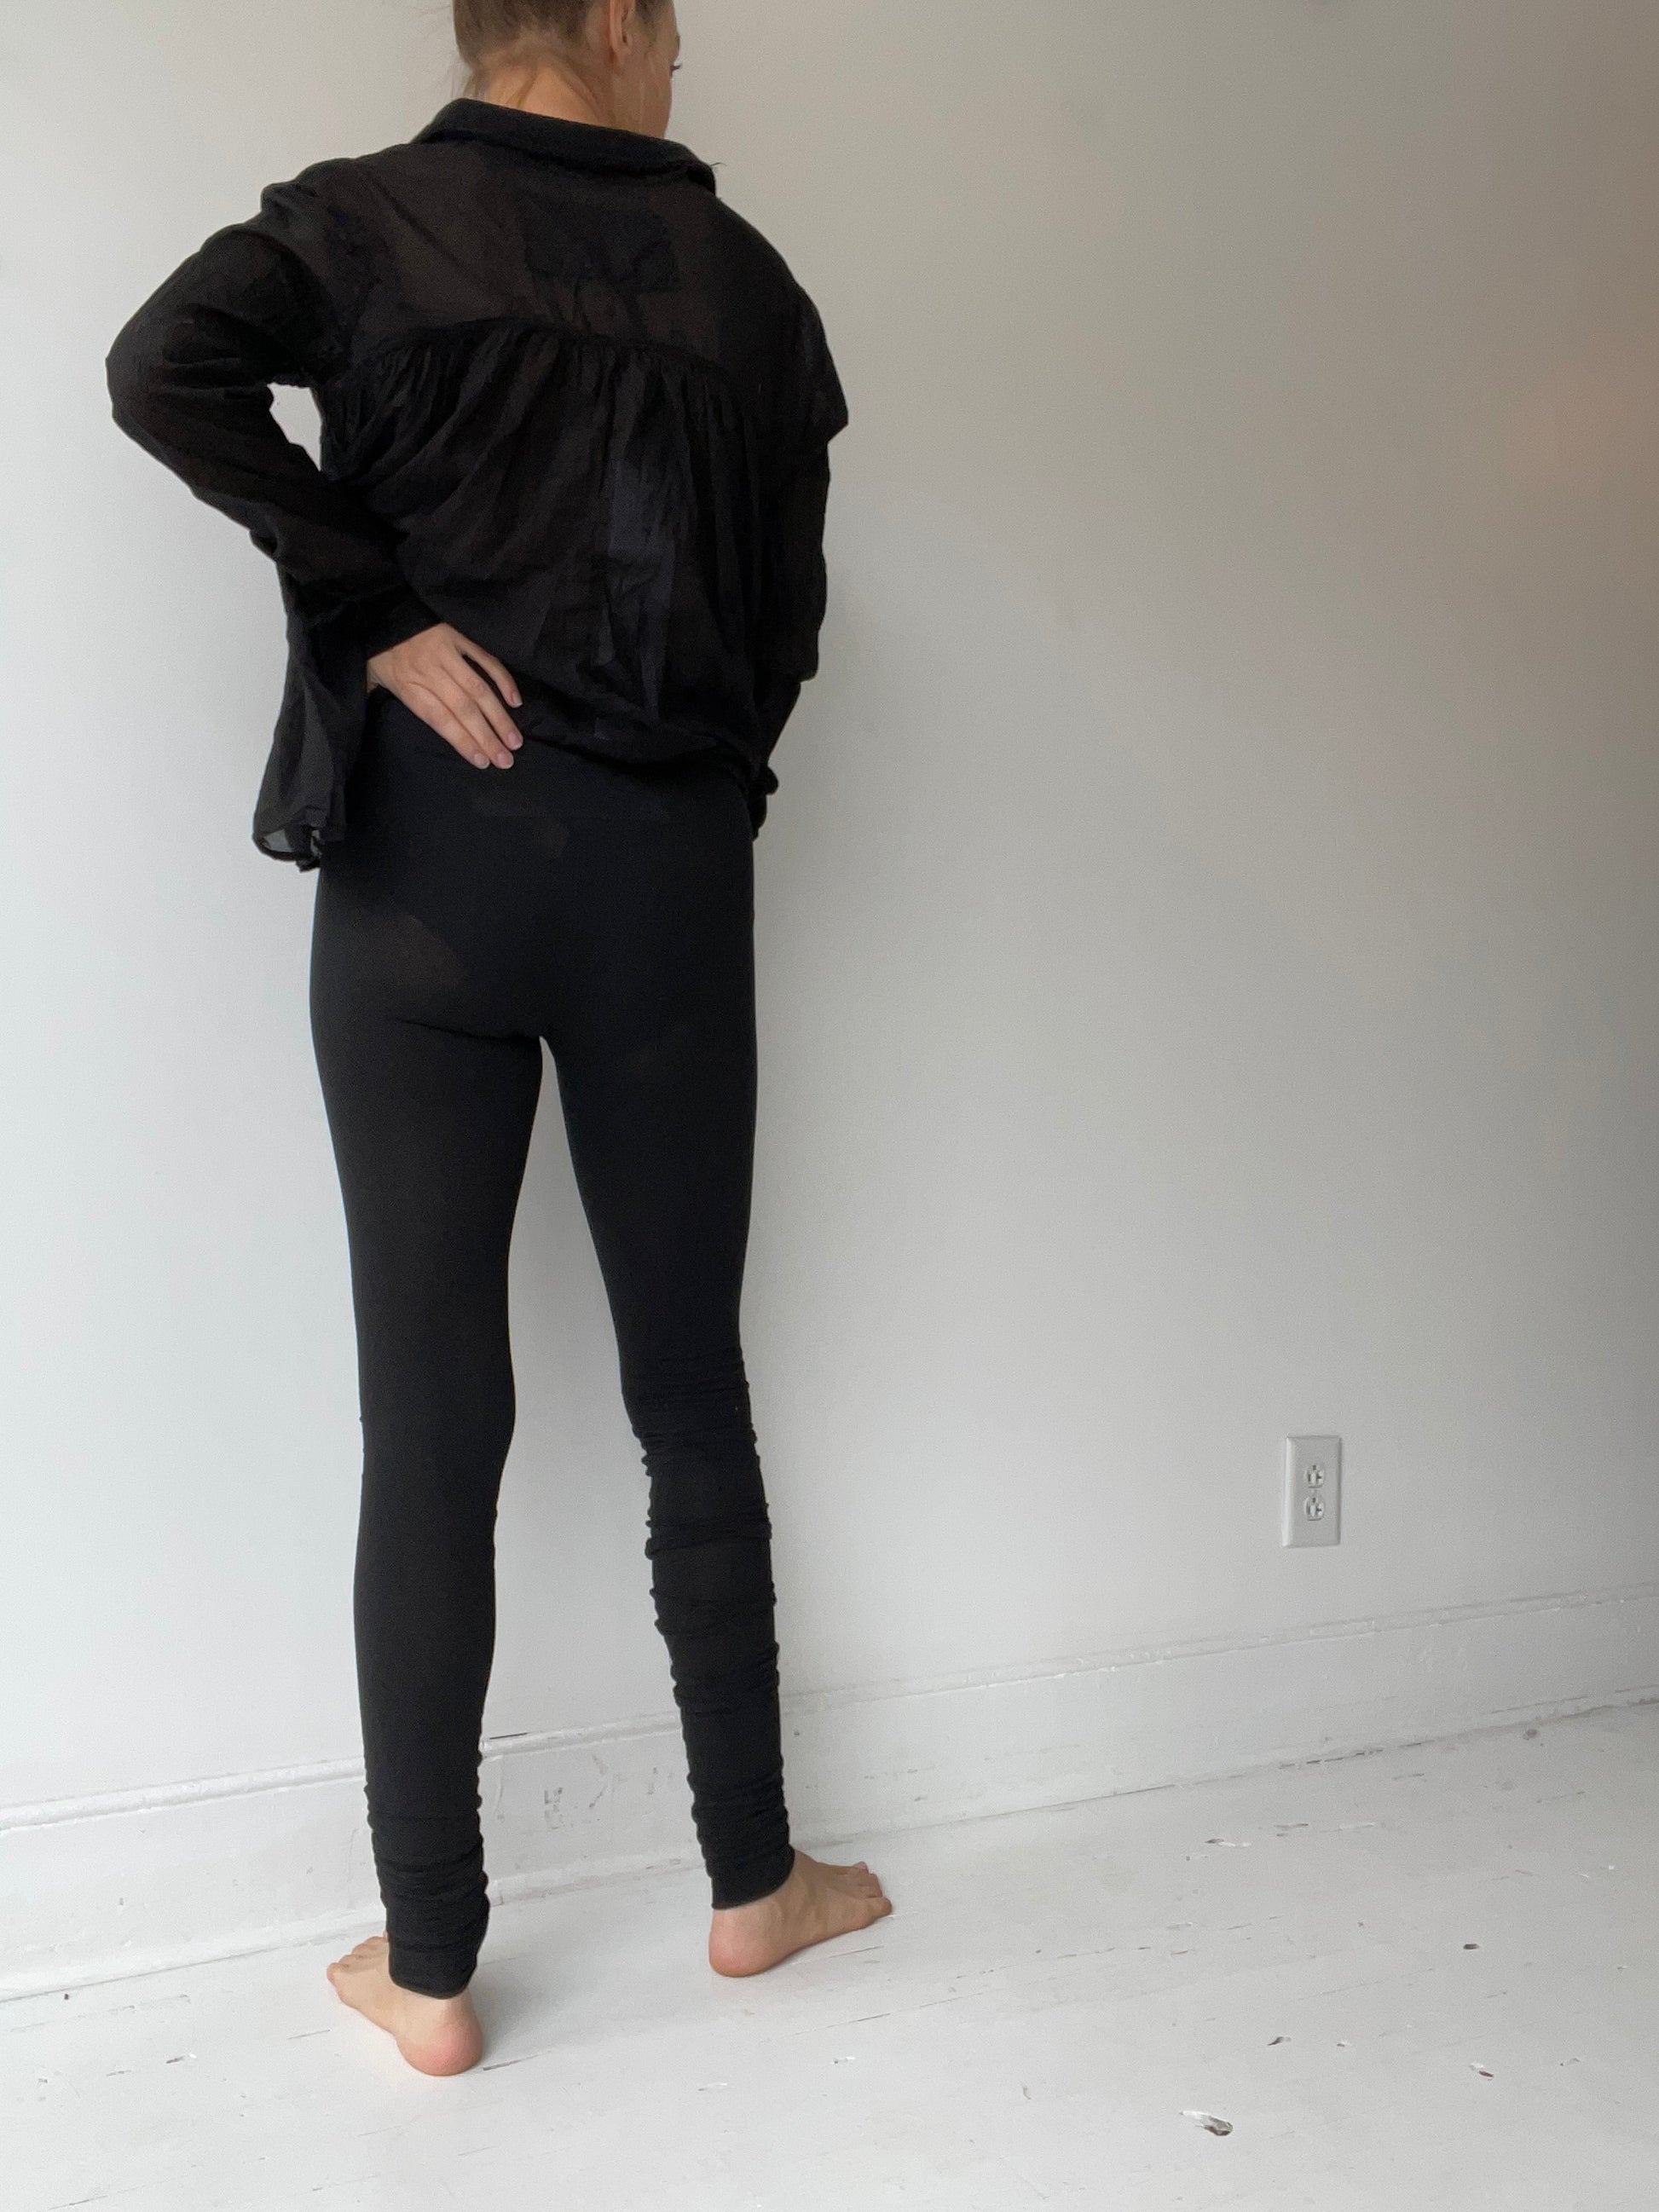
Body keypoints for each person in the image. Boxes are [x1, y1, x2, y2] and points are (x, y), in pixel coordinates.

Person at [105, 0, 889, 2079]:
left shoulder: (364, 225)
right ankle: (753, 1883)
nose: (681, 61)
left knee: (431, 1423)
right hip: (661, 885)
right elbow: (787, 621)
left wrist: (372, 607)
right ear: (615, 21)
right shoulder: (748, 289)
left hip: (423, 880)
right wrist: (689, 788)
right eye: (675, 28)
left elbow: (160, 367)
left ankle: (433, 1967)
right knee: (690, 1387)